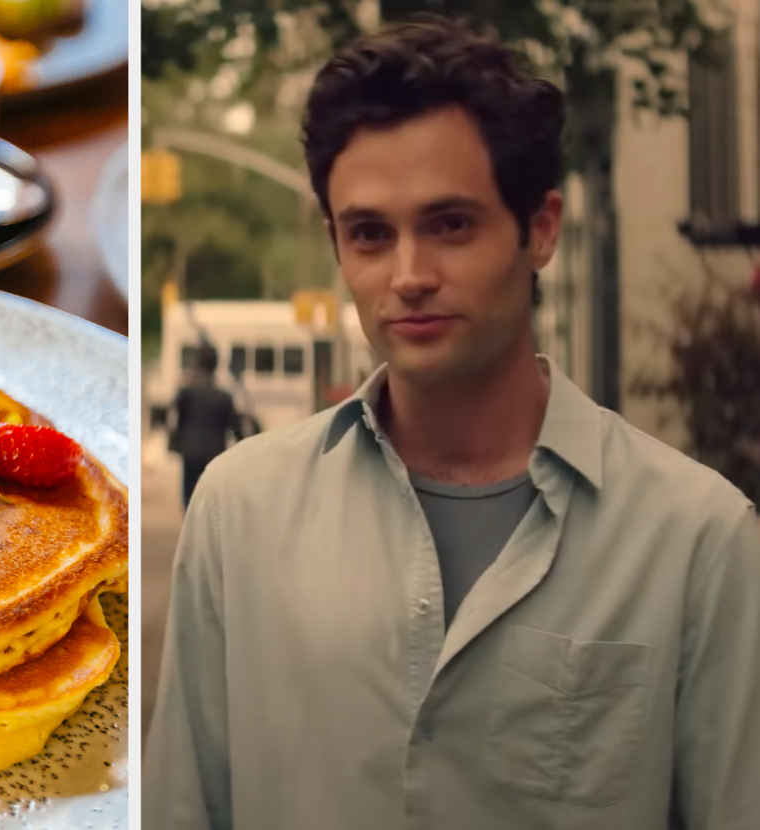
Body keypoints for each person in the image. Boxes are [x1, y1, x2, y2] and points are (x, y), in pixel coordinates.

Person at [143, 16, 760, 830]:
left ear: (540, 229)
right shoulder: (238, 510)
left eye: (451, 225)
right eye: (370, 234)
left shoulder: (698, 539)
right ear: (335, 243)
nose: (408, 276)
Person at [168, 344, 242, 508]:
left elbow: (173, 417)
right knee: (211, 505)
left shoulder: (187, 393)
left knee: (189, 502)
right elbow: (237, 429)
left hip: (191, 455)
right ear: (215, 365)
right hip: (214, 457)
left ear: (197, 364)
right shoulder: (224, 397)